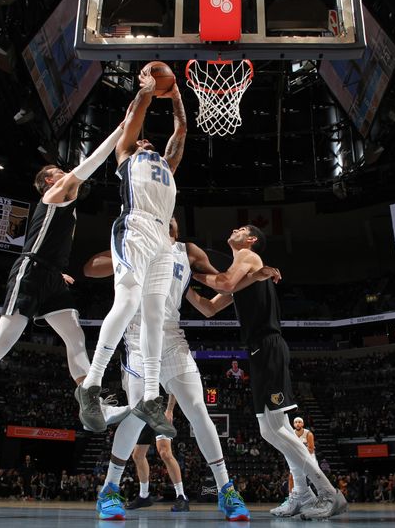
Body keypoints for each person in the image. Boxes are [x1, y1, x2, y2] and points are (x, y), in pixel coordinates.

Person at [0, 118, 130, 451]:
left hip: (50, 276)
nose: (64, 173)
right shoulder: (55, 193)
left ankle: (92, 403)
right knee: (1, 344)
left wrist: (58, 271)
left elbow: (50, 244)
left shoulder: (66, 205)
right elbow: (92, 162)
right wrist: (122, 129)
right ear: (48, 182)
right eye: (58, 170)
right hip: (29, 272)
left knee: (75, 336)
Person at [82, 217, 274, 521]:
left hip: (172, 337)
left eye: (171, 211)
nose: (167, 214)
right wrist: (127, 255)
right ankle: (109, 489)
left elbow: (225, 287)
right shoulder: (136, 243)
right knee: (136, 413)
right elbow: (90, 268)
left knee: (198, 408)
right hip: (136, 334)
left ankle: (226, 491)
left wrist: (254, 276)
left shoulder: (190, 252)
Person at [193, 225, 347, 520]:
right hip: (258, 350)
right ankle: (302, 493)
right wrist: (183, 287)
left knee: (275, 429)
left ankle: (329, 493)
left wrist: (192, 274)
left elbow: (223, 284)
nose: (234, 230)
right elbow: (209, 309)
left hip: (268, 345)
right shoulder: (244, 276)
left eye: (241, 229)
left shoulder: (248, 256)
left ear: (250, 240)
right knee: (272, 429)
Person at [78, 67, 187, 437]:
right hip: (135, 226)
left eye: (150, 142)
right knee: (125, 303)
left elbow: (181, 131)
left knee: (154, 314)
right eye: (143, 140)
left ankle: (152, 397)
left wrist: (175, 99)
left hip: (162, 239)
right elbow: (136, 117)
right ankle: (90, 387)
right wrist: (147, 89)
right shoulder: (127, 153)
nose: (148, 143)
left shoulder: (167, 166)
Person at [125, 396, 189, 512]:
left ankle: (181, 496)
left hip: (160, 409)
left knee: (164, 452)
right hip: (142, 411)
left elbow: (171, 388)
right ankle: (144, 496)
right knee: (137, 455)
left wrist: (169, 410)